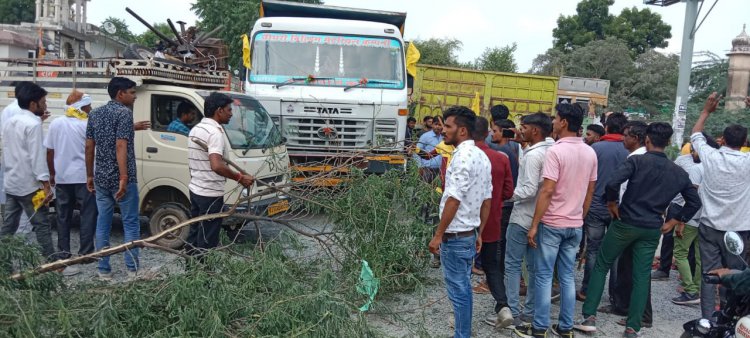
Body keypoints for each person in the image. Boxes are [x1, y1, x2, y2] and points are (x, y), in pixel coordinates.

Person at [576, 122, 701, 338]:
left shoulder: (636, 161)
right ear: (669, 142)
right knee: (642, 276)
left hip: (625, 222)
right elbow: (694, 202)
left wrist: (612, 203)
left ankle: (589, 317)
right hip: (652, 228)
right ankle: (633, 327)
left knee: (601, 266)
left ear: (647, 140)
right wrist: (674, 221)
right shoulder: (678, 172)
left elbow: (612, 182)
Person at [515, 103, 597, 338]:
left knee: (543, 276)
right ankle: (565, 327)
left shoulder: (556, 152)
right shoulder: (590, 152)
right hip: (574, 225)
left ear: (563, 123)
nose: (552, 122)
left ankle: (539, 327)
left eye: (556, 118)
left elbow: (548, 190)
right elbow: (590, 191)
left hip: (552, 224)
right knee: (568, 277)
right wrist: (579, 216)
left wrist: (533, 225)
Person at [427, 106, 491, 338]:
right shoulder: (482, 156)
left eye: (448, 126)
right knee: (463, 287)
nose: (443, 130)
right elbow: (486, 200)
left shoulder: (461, 157)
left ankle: (462, 335)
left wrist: (438, 235)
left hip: (456, 236)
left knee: (459, 289)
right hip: (469, 233)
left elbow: (453, 199)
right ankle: (463, 332)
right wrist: (479, 232)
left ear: (462, 131)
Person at [691, 92, 750, 320]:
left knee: (709, 273)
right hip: (738, 228)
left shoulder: (711, 156)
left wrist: (706, 111)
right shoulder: (747, 162)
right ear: (744, 143)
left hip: (709, 226)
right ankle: (729, 316)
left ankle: (707, 319)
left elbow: (696, 134)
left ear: (723, 140)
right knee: (735, 273)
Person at [86, 77, 141, 281]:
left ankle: (103, 270)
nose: (134, 97)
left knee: (103, 222)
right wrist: (124, 176)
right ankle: (132, 270)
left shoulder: (95, 114)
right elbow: (121, 146)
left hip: (101, 177)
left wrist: (89, 174)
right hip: (123, 179)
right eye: (132, 92)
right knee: (131, 223)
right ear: (120, 94)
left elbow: (89, 146)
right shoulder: (124, 113)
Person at [186, 93, 254, 257]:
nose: (231, 113)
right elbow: (216, 165)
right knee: (208, 239)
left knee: (195, 235)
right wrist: (240, 178)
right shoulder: (214, 133)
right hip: (210, 194)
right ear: (219, 110)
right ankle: (205, 279)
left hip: (196, 190)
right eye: (229, 110)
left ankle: (191, 275)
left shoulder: (197, 129)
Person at [506, 112, 554, 332]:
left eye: (524, 127)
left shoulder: (534, 156)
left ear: (535, 130)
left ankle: (512, 312)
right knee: (534, 268)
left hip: (522, 217)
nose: (520, 130)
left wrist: (505, 197)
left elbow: (527, 189)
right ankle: (530, 310)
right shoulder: (550, 151)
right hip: (540, 217)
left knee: (513, 265)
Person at [44, 90, 99, 276]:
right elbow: (91, 151)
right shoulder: (88, 124)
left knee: (62, 216)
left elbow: (49, 152)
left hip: (62, 177)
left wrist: (52, 174)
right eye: (88, 106)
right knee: (88, 214)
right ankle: (86, 253)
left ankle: (63, 253)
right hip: (84, 177)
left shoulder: (56, 123)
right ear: (82, 107)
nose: (90, 109)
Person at [0, 82, 55, 261]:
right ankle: (53, 263)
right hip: (30, 186)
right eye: (43, 101)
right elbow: (37, 157)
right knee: (42, 225)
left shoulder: (10, 122)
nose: (45, 105)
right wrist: (46, 184)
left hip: (11, 182)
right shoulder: (33, 124)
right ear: (33, 104)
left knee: (8, 227)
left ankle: (4, 264)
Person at [579, 112, 628, 302]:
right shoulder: (629, 150)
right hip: (619, 209)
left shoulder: (595, 148)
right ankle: (615, 295)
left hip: (596, 206)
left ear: (606, 127)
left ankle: (587, 290)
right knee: (616, 252)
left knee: (593, 250)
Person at [610, 121, 654, 328]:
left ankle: (642, 314)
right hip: (636, 217)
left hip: (633, 218)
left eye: (626, 135)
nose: (622, 139)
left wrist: (614, 205)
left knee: (638, 270)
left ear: (636, 138)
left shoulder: (638, 159)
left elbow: (619, 185)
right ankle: (623, 305)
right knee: (627, 266)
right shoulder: (638, 156)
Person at [473, 116, 515, 329]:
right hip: (492, 220)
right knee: (491, 265)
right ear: (488, 133)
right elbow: (508, 191)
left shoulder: (465, 156)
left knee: (460, 267)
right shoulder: (501, 158)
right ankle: (503, 305)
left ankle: (462, 315)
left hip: (466, 222)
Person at [671, 135, 719, 305]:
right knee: (700, 257)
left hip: (692, 218)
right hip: (709, 219)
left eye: (696, 149)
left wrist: (681, 220)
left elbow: (690, 198)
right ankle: (698, 288)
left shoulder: (697, 169)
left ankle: (690, 290)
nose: (693, 151)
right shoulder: (717, 168)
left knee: (680, 252)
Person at [1, 81, 38, 241]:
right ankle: (23, 244)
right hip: (25, 168)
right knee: (28, 212)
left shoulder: (7, 110)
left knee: (12, 213)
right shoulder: (25, 112)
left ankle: (8, 250)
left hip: (10, 164)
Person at [414, 116, 443, 184]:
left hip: (441, 170)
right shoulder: (425, 136)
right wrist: (419, 166)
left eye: (440, 125)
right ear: (432, 124)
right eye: (436, 124)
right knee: (423, 189)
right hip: (427, 169)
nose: (438, 127)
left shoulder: (444, 137)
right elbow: (417, 152)